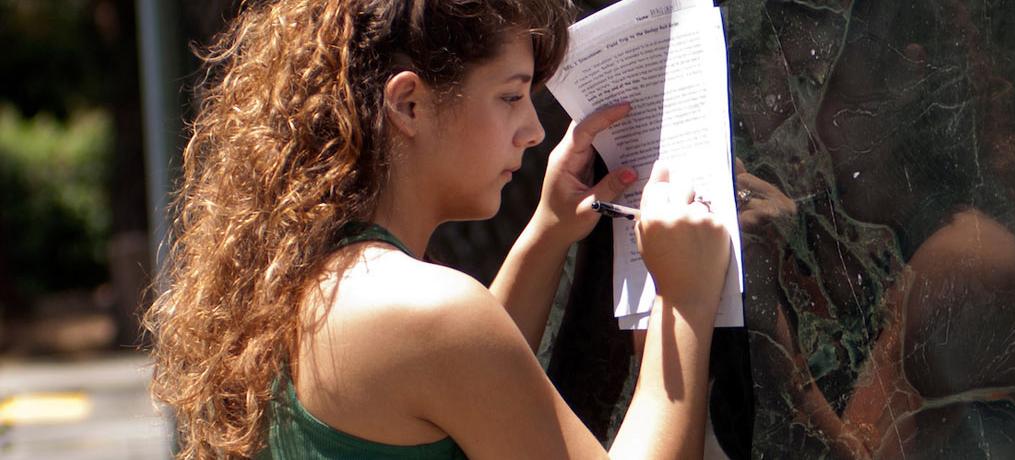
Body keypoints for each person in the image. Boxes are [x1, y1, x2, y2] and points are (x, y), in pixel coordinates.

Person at [142, 0, 733, 458]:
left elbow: (465, 380)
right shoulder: (424, 312)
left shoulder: (317, 280)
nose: (533, 131)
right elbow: (456, 345)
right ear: (409, 105)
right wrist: (683, 299)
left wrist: (548, 232)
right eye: (510, 96)